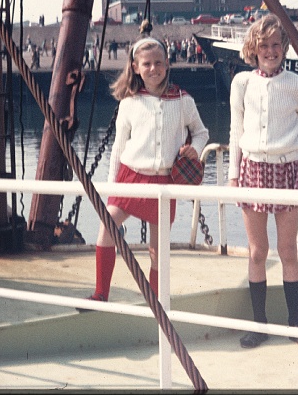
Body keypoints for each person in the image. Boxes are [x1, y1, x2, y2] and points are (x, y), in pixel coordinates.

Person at [84, 36, 209, 304]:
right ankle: (100, 293)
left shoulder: (183, 100)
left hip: (164, 182)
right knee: (107, 228)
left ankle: (155, 300)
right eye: (147, 64)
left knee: (157, 249)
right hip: (130, 178)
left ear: (167, 65)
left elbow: (201, 133)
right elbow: (118, 148)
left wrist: (194, 150)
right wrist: (110, 188)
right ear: (136, 67)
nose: (153, 69)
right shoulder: (129, 103)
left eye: (158, 63)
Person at [227, 14, 298, 349]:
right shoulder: (242, 84)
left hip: (287, 170)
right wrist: (233, 176)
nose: (270, 51)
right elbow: (236, 131)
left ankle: (295, 324)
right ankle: (259, 325)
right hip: (252, 170)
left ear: (284, 48)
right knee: (257, 251)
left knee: (287, 249)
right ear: (254, 48)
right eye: (263, 45)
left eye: (275, 45)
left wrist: (287, 156)